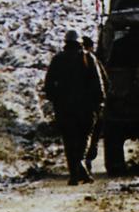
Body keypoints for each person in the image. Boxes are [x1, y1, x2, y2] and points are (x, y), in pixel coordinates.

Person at [43, 30, 105, 185]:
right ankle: (80, 165)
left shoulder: (58, 59)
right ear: (79, 43)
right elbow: (98, 83)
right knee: (84, 138)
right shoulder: (88, 58)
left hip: (64, 108)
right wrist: (100, 102)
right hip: (86, 108)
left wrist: (55, 99)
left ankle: (74, 174)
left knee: (69, 140)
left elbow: (48, 84)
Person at [81, 35, 109, 170]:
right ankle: (87, 158)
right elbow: (104, 82)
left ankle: (78, 162)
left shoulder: (63, 59)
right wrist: (102, 100)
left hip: (71, 105)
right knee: (93, 132)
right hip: (91, 104)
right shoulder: (93, 60)